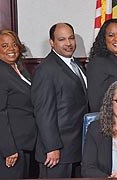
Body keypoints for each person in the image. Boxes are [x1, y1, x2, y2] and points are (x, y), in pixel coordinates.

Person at [0, 30, 37, 178]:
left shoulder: (19, 70)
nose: (11, 49)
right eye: (5, 45)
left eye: (14, 44)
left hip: (21, 142)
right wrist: (8, 149)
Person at [31, 23, 88, 178]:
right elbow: (43, 113)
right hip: (57, 152)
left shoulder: (76, 64)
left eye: (71, 38)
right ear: (52, 42)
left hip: (75, 148)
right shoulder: (46, 70)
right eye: (62, 39)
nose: (68, 43)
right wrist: (52, 147)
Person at [87, 19, 117, 112]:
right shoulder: (98, 63)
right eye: (111, 35)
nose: (116, 38)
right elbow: (96, 102)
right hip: (113, 120)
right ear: (104, 39)